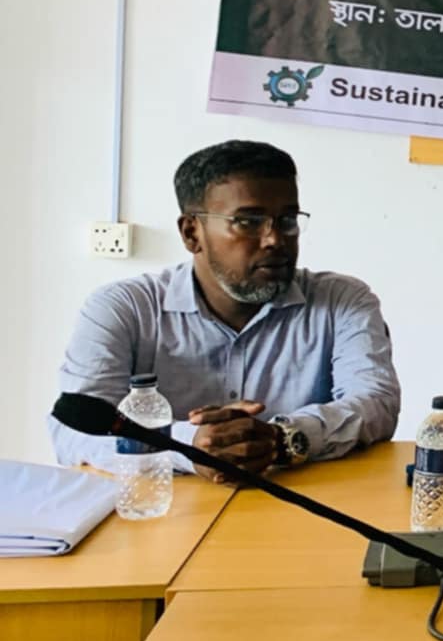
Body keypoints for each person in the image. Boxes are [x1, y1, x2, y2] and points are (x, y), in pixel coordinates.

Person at [49, 140, 400, 480]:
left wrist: (282, 438)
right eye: (248, 222)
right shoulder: (123, 308)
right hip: (165, 508)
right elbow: (74, 430)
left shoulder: (343, 301)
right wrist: (189, 446)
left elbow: (376, 402)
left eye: (287, 220)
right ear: (192, 233)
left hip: (299, 503)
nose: (275, 239)